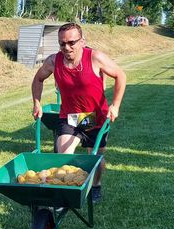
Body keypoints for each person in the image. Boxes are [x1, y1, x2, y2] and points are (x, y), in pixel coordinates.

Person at [32, 23, 126, 203]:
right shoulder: (53, 61)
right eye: (62, 44)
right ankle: (66, 192)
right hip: (70, 117)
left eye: (71, 43)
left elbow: (120, 75)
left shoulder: (95, 57)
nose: (66, 48)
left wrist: (115, 105)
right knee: (64, 155)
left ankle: (96, 186)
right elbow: (38, 78)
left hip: (95, 117)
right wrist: (36, 102)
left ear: (82, 41)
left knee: (95, 159)